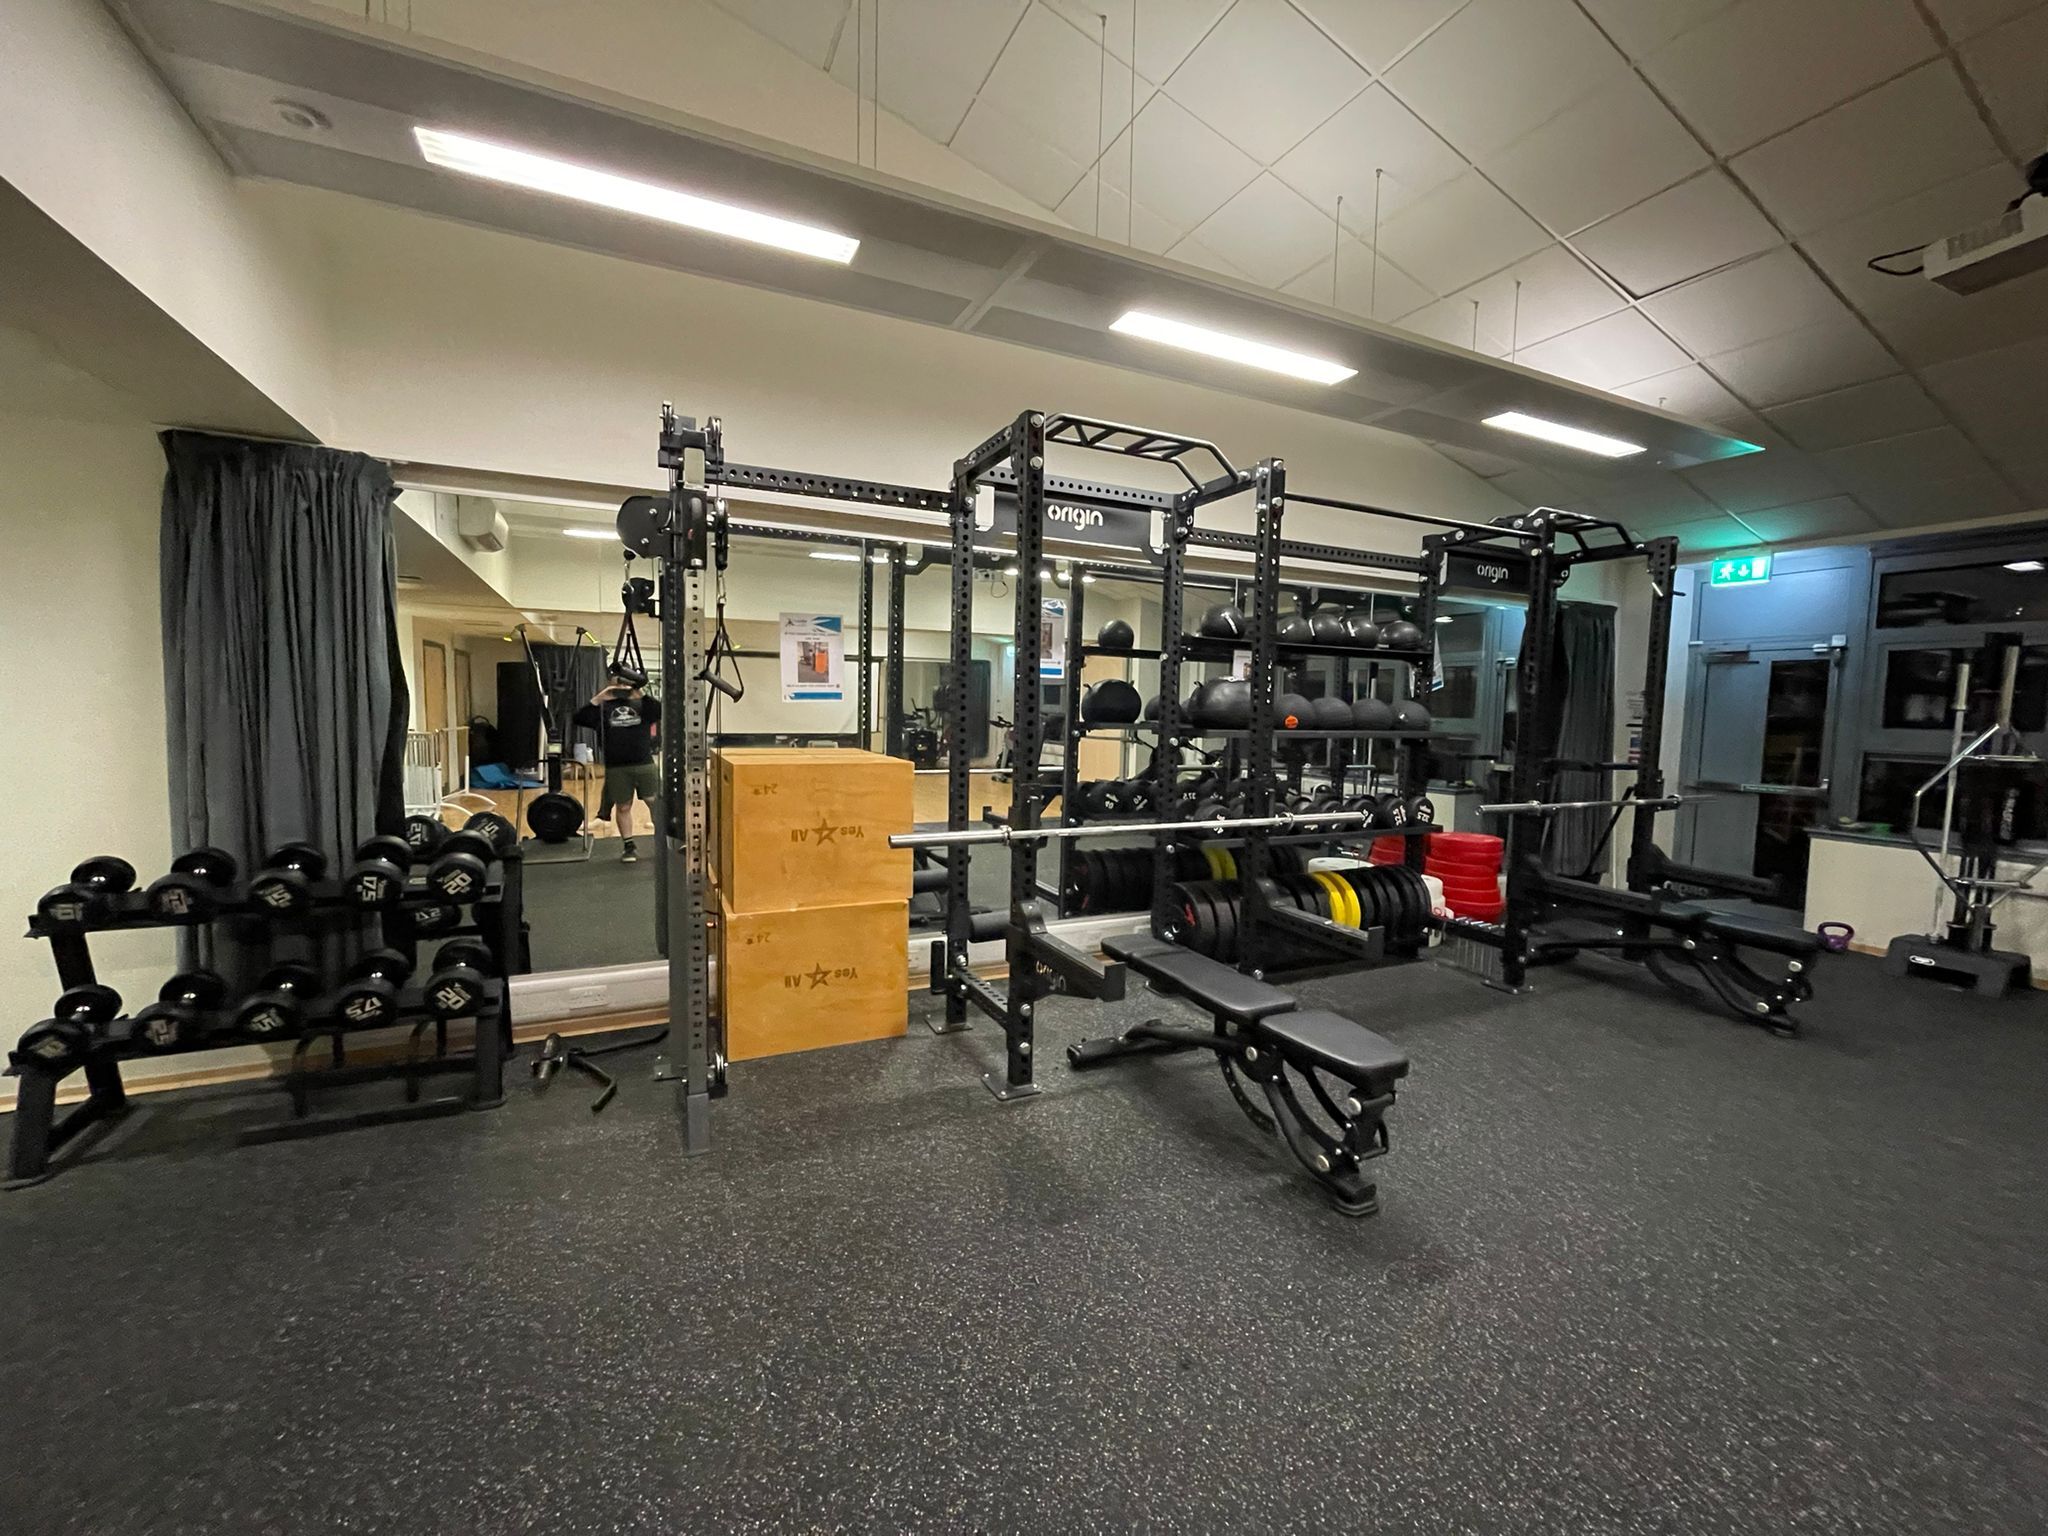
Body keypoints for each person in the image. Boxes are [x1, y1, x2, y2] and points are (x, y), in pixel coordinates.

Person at [572, 677, 662, 863]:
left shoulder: (642, 706)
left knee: (654, 802)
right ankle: (629, 847)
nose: (622, 688)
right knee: (623, 806)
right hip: (617, 767)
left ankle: (662, 842)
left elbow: (659, 710)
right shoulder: (603, 709)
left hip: (644, 763)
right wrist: (600, 697)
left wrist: (639, 693)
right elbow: (579, 718)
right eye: (618, 684)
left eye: (625, 685)